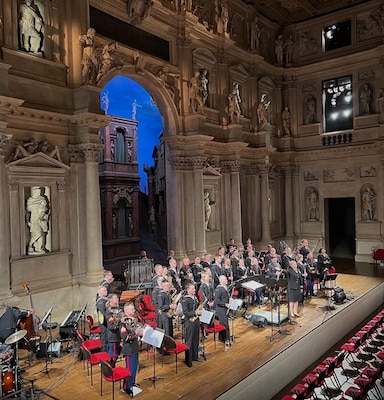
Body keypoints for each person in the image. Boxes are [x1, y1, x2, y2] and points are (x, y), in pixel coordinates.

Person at [120, 302, 143, 396]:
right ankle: (126, 387)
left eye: (133, 309)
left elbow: (137, 329)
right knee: (129, 369)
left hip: (135, 347)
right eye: (131, 309)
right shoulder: (123, 323)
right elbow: (125, 337)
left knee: (134, 368)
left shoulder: (133, 320)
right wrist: (136, 334)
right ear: (126, 311)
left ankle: (132, 383)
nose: (134, 310)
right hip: (128, 349)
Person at [181, 282, 202, 367]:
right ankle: (188, 360)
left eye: (194, 288)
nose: (194, 290)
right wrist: (196, 312)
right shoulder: (185, 300)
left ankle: (195, 356)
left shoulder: (195, 298)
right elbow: (186, 313)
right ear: (188, 290)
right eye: (193, 288)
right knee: (189, 341)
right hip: (189, 322)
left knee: (195, 339)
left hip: (196, 320)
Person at [26, 186, 50, 254]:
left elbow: (45, 209)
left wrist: (43, 214)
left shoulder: (42, 199)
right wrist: (27, 221)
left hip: (41, 219)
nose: (39, 193)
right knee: (37, 233)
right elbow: (27, 211)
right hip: (34, 219)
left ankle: (39, 248)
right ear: (34, 192)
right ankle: (30, 245)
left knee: (41, 234)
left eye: (40, 192)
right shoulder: (30, 200)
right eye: (38, 192)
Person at [214, 275, 230, 350]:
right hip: (221, 309)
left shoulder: (225, 288)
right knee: (225, 324)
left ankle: (221, 338)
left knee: (223, 323)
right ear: (221, 281)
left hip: (225, 308)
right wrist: (225, 304)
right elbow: (217, 301)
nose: (226, 280)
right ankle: (227, 339)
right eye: (225, 279)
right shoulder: (219, 289)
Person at [106, 294, 121, 367]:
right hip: (113, 337)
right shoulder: (109, 311)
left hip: (116, 336)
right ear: (111, 300)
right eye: (116, 298)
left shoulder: (115, 309)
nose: (117, 299)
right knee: (113, 356)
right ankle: (111, 371)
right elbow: (111, 326)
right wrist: (119, 325)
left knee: (115, 355)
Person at [96, 285, 108, 351]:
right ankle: (104, 353)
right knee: (104, 339)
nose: (106, 291)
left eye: (106, 290)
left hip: (106, 322)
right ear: (99, 292)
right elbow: (104, 313)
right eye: (104, 290)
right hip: (103, 323)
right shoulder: (100, 302)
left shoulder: (105, 299)